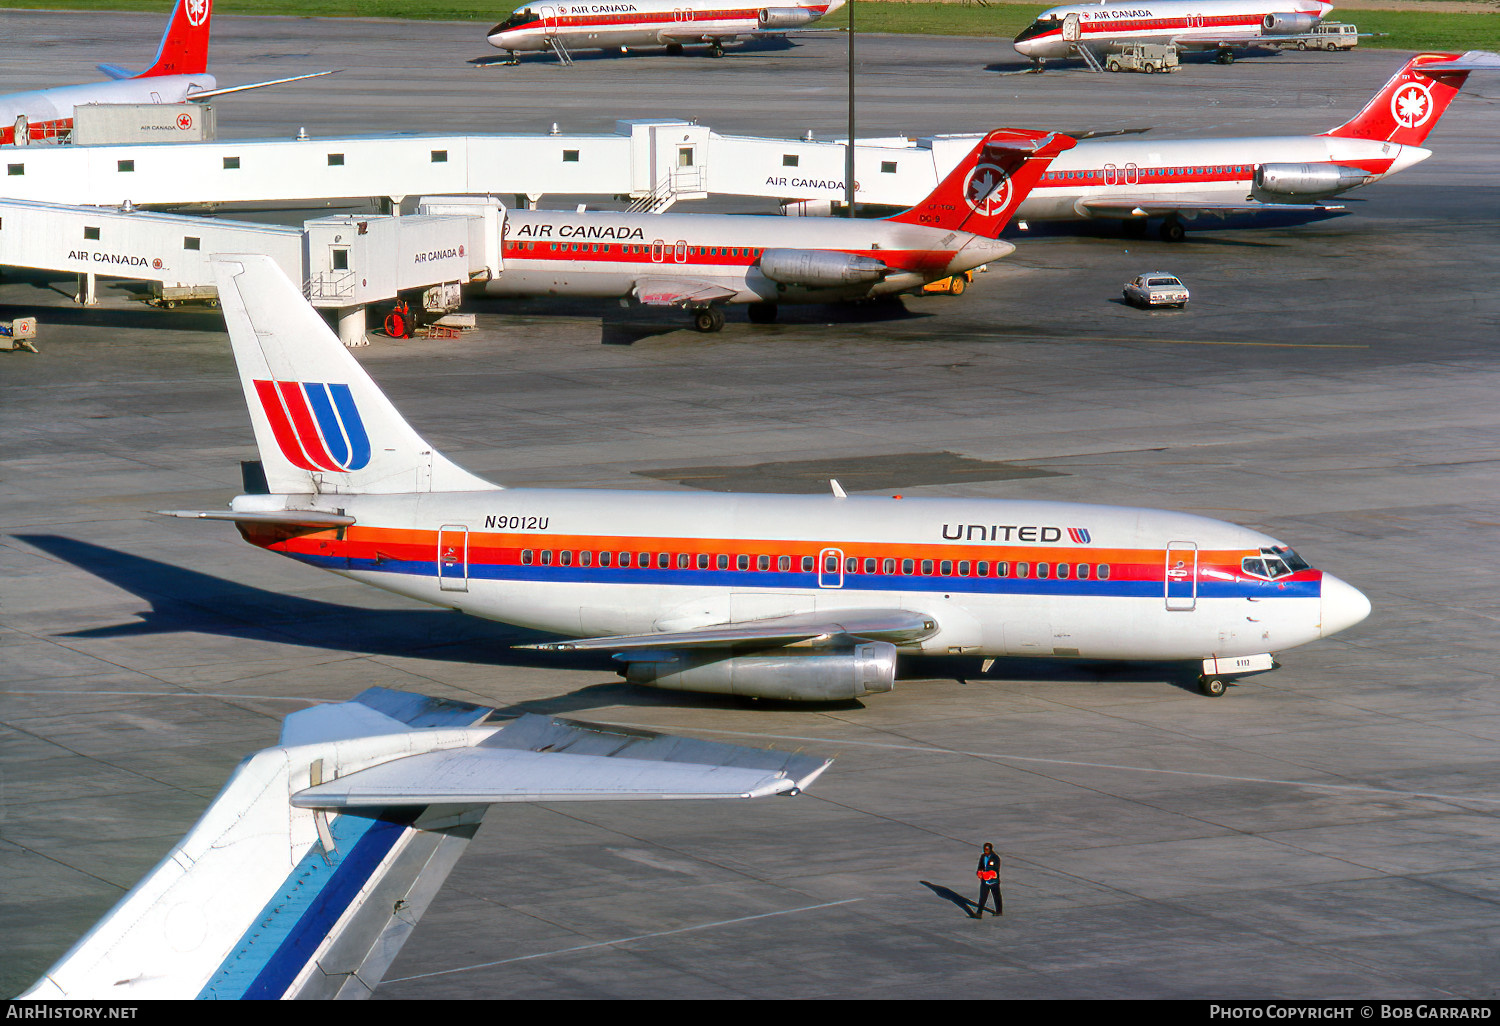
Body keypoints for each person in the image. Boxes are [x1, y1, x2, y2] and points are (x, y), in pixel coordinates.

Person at [973, 842, 1002, 918]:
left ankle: (999, 911)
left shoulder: (995, 858)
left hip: (993, 881)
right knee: (983, 897)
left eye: (987, 849)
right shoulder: (983, 857)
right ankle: (979, 913)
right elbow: (981, 866)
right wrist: (979, 871)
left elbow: (995, 869)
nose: (986, 851)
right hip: (985, 881)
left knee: (996, 896)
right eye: (985, 849)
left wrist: (990, 874)